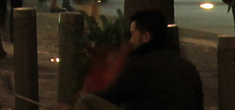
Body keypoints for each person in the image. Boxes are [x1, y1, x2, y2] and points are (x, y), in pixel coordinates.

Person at [70, 9, 202, 110]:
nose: (131, 40)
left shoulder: (140, 64)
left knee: (86, 102)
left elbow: (113, 95)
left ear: (146, 37)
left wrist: (82, 94)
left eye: (133, 34)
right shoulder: (188, 67)